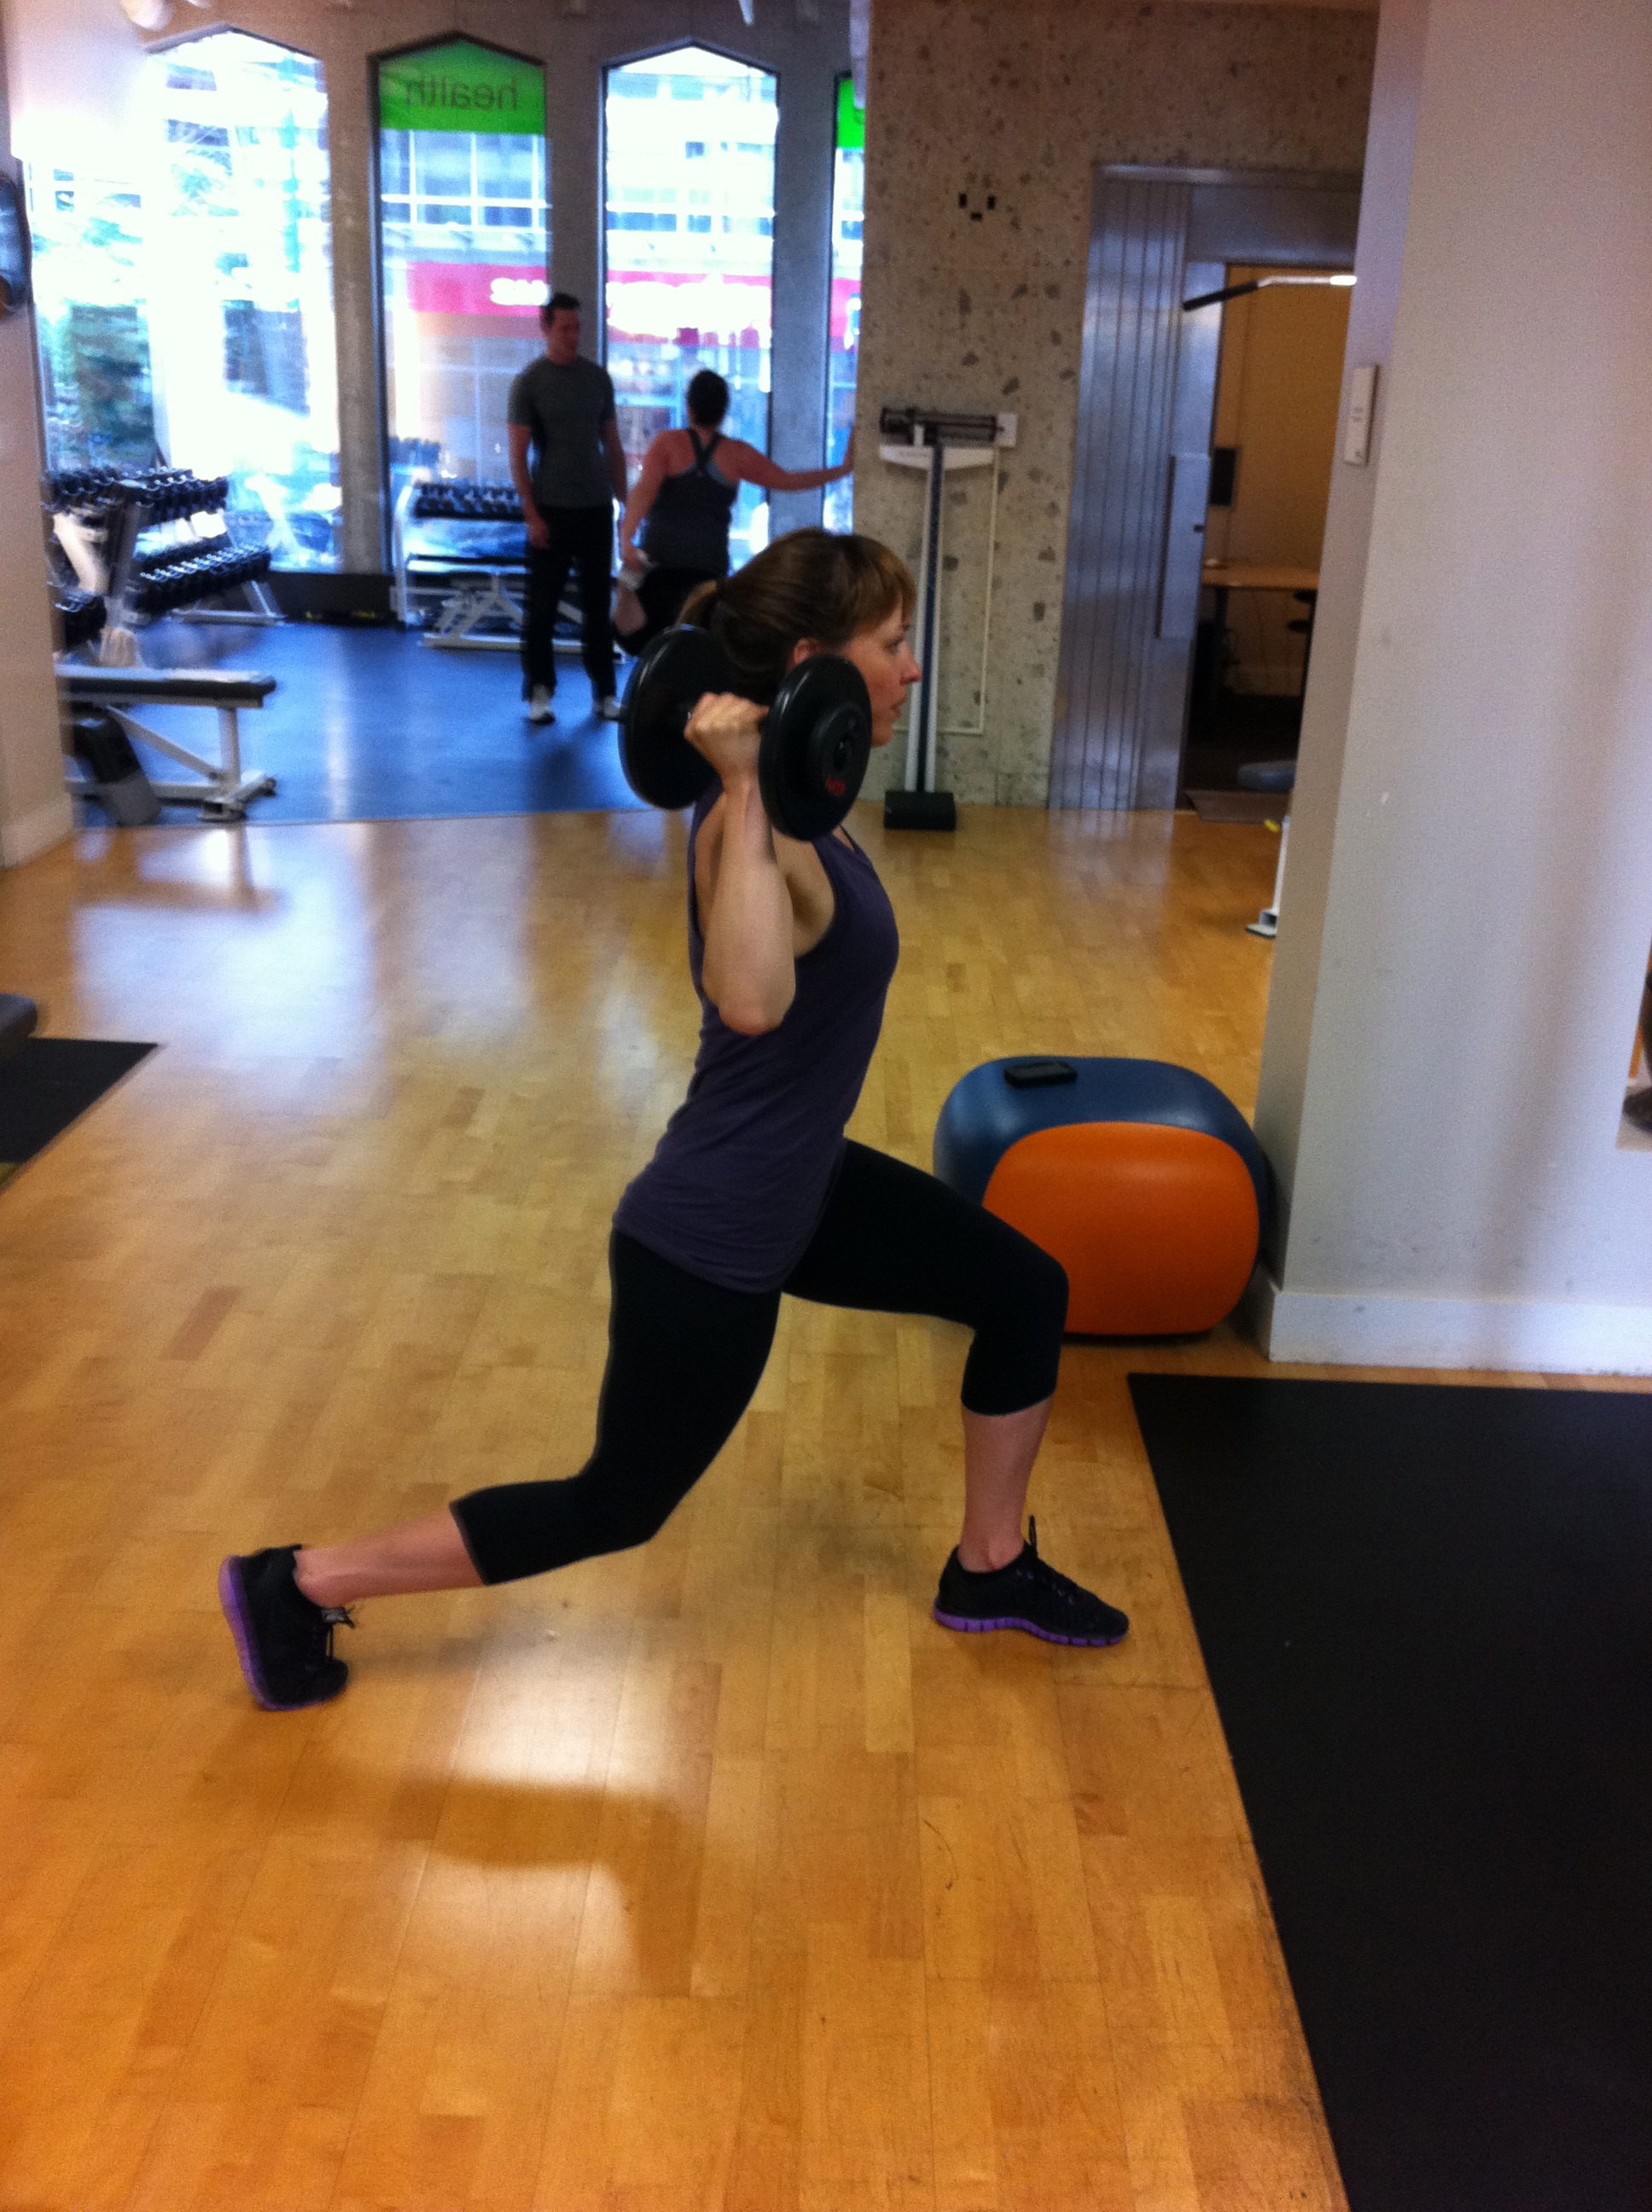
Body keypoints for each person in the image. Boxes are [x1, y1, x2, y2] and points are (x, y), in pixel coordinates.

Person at [218, 528, 1130, 1713]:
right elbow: (750, 999)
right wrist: (742, 786)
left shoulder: (797, 799)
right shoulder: (743, 823)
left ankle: (990, 1566)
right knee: (616, 1505)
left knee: (1023, 1290)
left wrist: (760, 777)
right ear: (812, 664)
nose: (912, 668)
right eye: (893, 644)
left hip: (800, 1187)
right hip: (715, 1236)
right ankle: (299, 1581)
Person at [614, 369, 855, 656]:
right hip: (708, 568)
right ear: (723, 411)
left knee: (646, 644)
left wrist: (627, 541)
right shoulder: (736, 454)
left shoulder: (668, 444)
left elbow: (643, 493)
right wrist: (841, 470)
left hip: (662, 563)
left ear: (689, 406)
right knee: (697, 650)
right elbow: (788, 481)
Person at [507, 290, 628, 725]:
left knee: (598, 606)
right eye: (564, 328)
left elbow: (612, 445)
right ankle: (540, 692)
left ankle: (605, 694)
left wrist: (626, 505)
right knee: (542, 607)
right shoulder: (529, 383)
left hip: (595, 507)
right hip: (551, 510)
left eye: (577, 328)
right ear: (545, 328)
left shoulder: (597, 380)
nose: (573, 336)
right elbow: (518, 455)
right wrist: (531, 515)